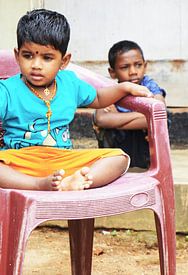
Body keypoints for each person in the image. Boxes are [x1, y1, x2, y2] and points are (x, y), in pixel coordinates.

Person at [0, 10, 153, 191]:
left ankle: (77, 181)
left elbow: (98, 98)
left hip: (64, 160)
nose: (36, 65)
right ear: (17, 55)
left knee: (119, 158)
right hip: (21, 162)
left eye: (47, 58)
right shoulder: (7, 90)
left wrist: (123, 88)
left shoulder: (70, 83)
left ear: (64, 61)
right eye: (28, 56)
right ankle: (39, 185)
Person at [93, 40, 167, 169]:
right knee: (106, 130)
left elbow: (159, 114)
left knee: (161, 122)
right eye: (124, 67)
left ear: (145, 66)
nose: (133, 71)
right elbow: (101, 119)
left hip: (143, 149)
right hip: (118, 147)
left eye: (138, 65)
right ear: (112, 72)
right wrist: (143, 117)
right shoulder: (110, 88)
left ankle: (149, 166)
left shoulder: (149, 85)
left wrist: (117, 121)